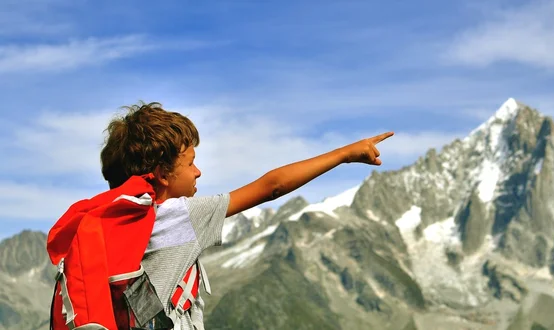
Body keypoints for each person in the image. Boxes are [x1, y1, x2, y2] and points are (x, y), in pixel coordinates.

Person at [95, 101, 393, 329]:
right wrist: (344, 154)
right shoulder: (180, 217)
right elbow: (272, 187)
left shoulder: (112, 223)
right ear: (161, 174)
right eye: (190, 163)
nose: (198, 171)